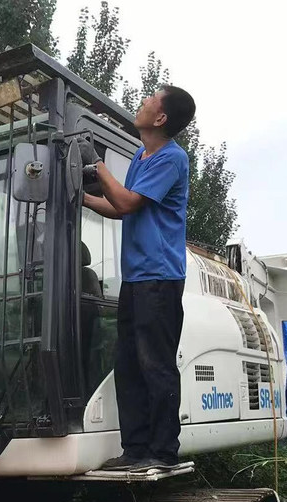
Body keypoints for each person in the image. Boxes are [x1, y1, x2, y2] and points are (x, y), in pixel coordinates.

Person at [79, 85, 196, 472]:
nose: (142, 102)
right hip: (137, 278)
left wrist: (96, 165)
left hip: (160, 279)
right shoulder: (141, 155)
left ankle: (162, 453)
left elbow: (127, 201)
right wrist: (79, 197)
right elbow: (122, 207)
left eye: (150, 100)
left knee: (155, 365)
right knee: (128, 364)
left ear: (160, 118)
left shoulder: (171, 159)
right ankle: (135, 450)